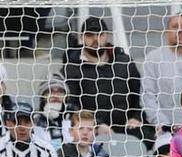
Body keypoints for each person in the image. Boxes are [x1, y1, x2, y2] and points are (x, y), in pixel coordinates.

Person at [62, 17, 153, 147]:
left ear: (107, 35)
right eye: (89, 35)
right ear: (82, 38)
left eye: (99, 34)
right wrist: (97, 125)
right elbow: (71, 105)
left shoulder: (124, 62)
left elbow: (139, 94)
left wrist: (136, 116)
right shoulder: (72, 67)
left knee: (151, 141)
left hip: (127, 126)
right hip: (91, 130)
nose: (95, 39)